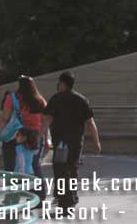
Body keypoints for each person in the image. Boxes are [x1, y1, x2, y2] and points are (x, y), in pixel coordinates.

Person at [41, 71, 100, 212]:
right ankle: (72, 197)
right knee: (72, 169)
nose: (58, 85)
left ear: (63, 84)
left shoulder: (56, 99)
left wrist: (41, 137)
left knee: (61, 171)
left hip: (61, 143)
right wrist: (96, 142)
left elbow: (46, 120)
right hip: (76, 143)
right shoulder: (82, 99)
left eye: (59, 83)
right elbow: (90, 122)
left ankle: (65, 202)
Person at [0, 76, 47, 199]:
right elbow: (45, 122)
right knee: (34, 165)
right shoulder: (40, 100)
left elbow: (4, 119)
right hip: (35, 136)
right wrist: (45, 139)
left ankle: (13, 197)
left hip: (17, 137)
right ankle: (39, 196)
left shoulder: (13, 99)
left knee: (12, 167)